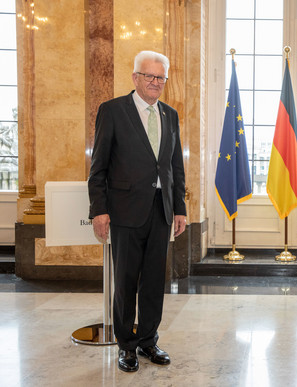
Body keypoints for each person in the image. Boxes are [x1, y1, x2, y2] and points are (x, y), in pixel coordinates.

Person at [88, 50, 187, 372]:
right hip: (126, 212)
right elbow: (98, 166)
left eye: (161, 78)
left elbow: (175, 167)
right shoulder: (113, 111)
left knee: (154, 282)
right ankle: (126, 346)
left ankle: (148, 341)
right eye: (150, 76)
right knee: (126, 282)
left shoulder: (170, 115)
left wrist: (180, 208)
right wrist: (99, 210)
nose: (156, 82)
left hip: (161, 211)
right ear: (135, 78)